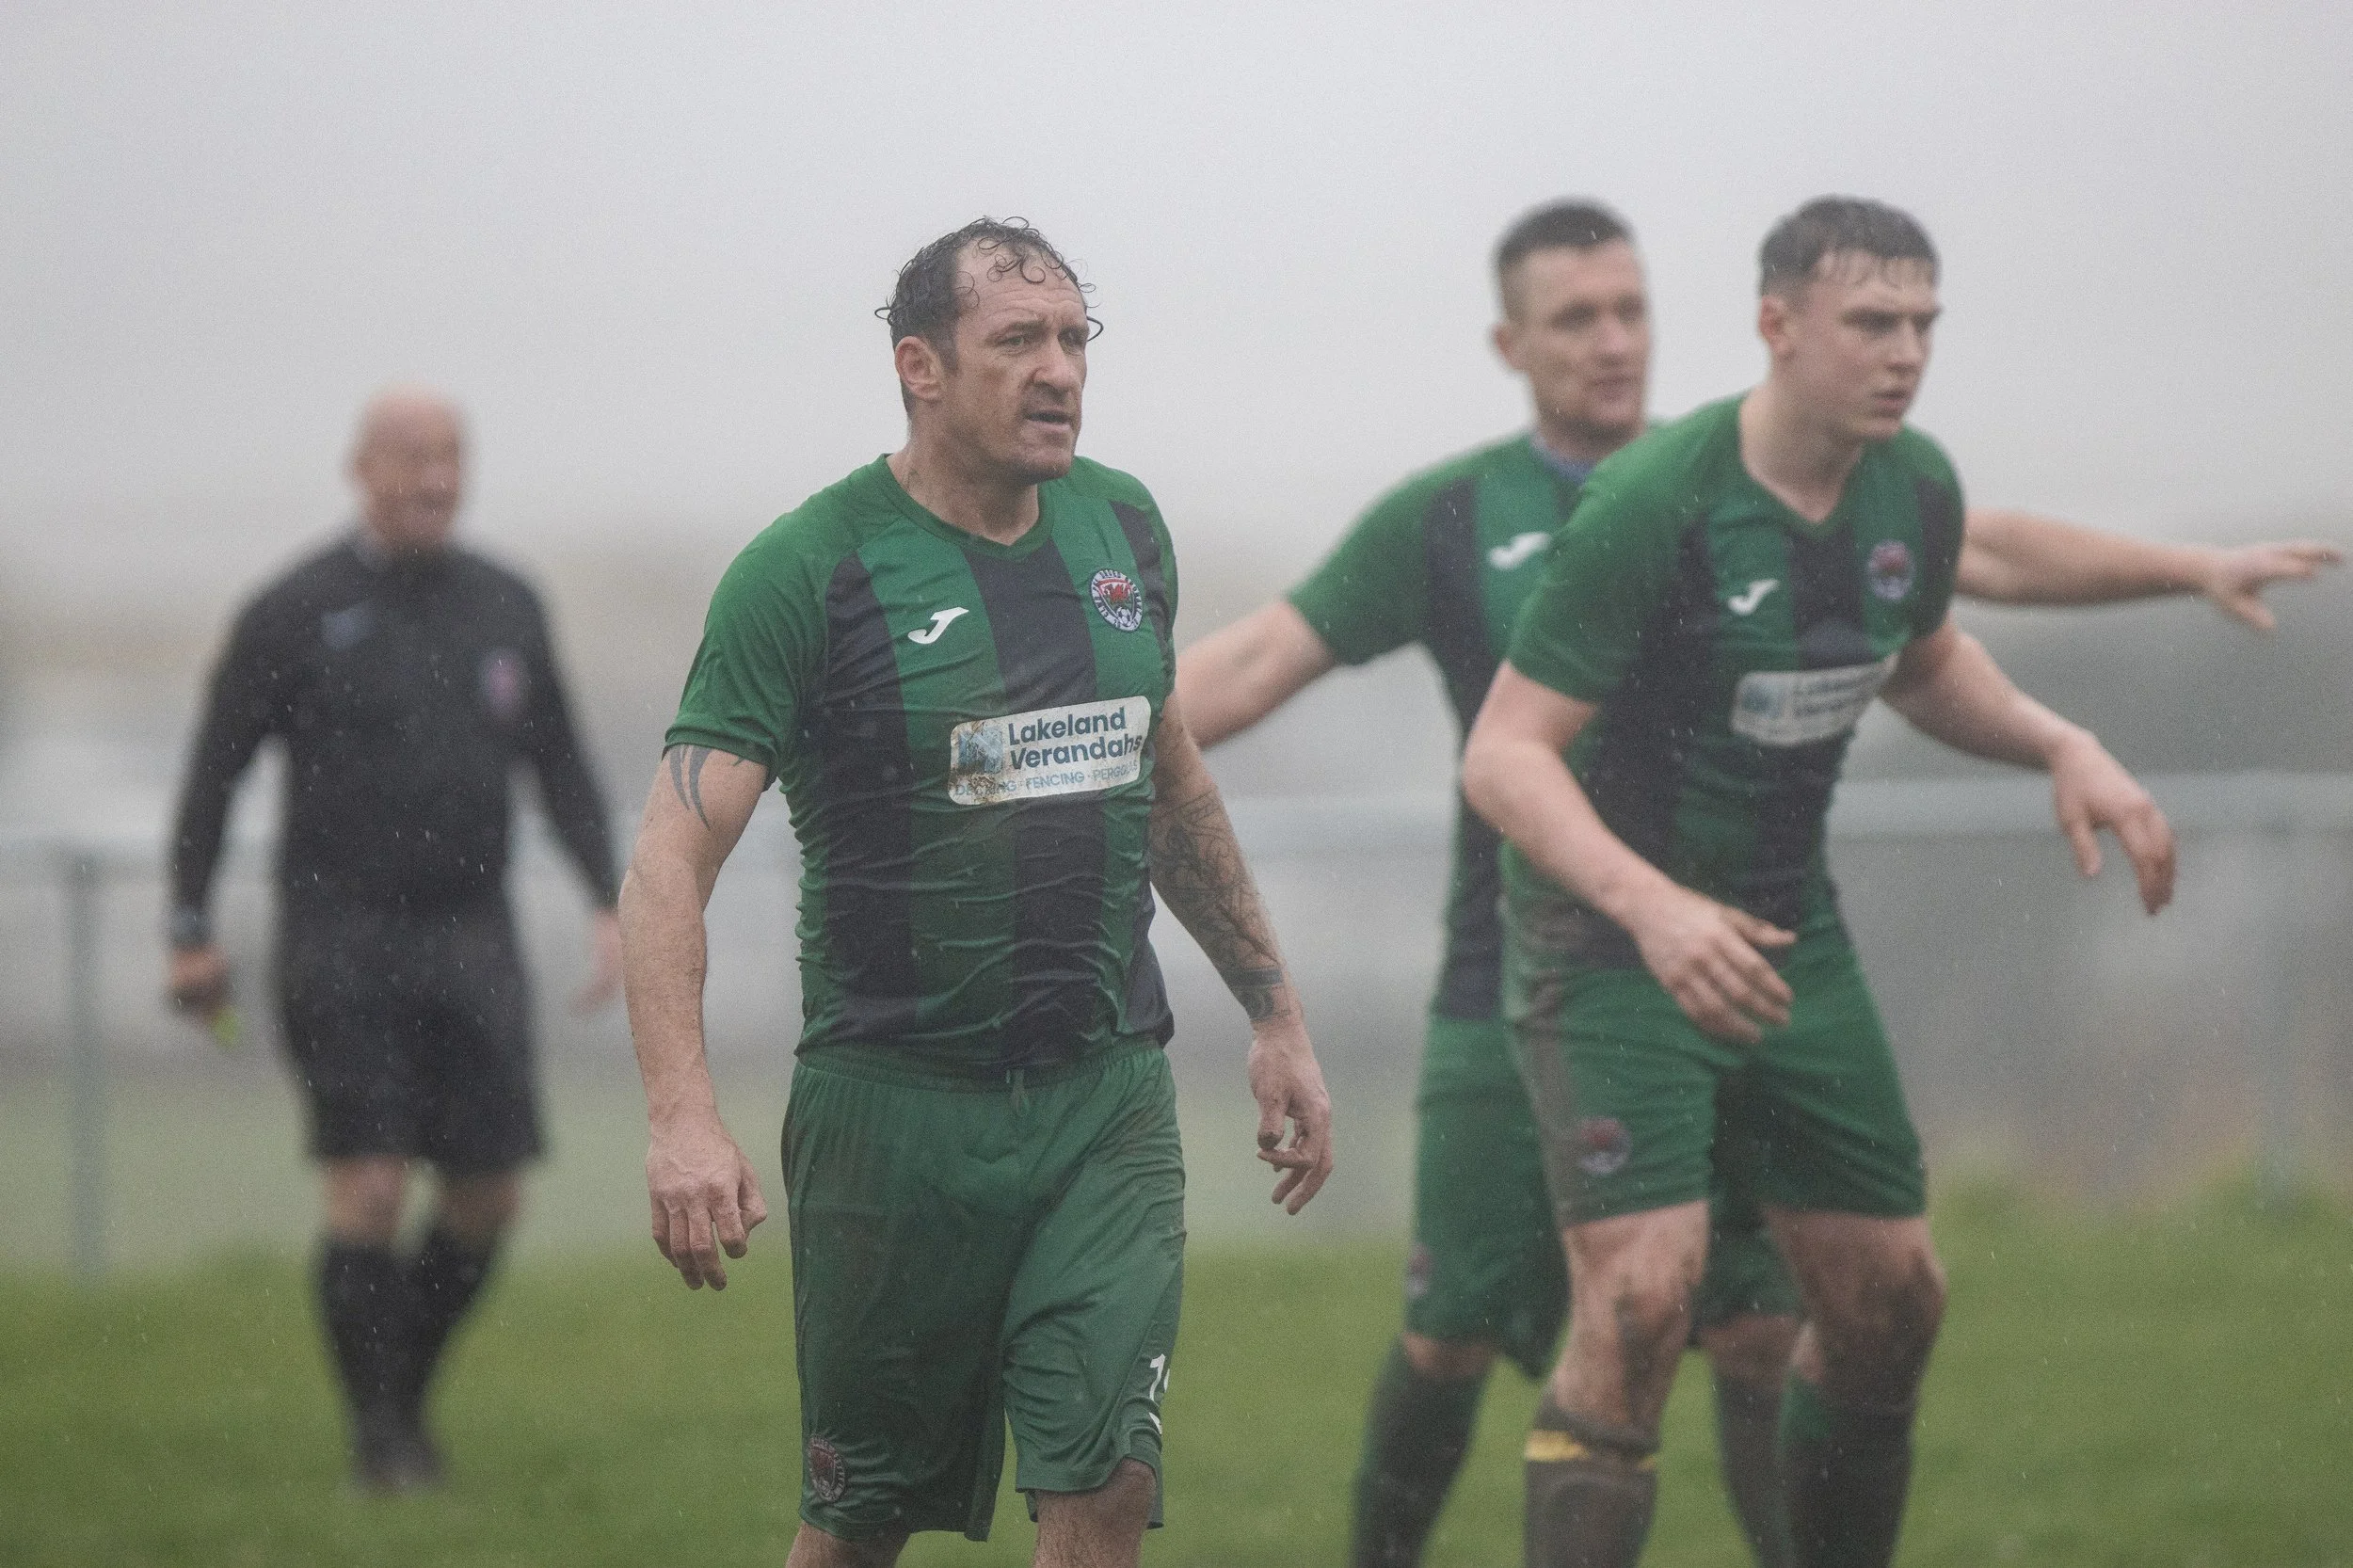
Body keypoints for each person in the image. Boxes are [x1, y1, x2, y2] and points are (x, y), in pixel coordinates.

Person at [1176, 200, 2332, 1568]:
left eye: (1631, 309)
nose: (1613, 340)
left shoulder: (1864, 475)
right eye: (1576, 317)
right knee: (1513, 1316)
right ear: (1514, 341)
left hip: (1770, 943)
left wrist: (2105, 678)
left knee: (1815, 1309)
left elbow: (1948, 589)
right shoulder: (1527, 513)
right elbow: (1295, 679)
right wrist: (1086, 757)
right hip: (1559, 961)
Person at [1457, 197, 2177, 1568]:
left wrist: (2059, 742)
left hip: (1790, 929)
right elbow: (1505, 758)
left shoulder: (1913, 482)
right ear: (1777, 327)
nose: (1905, 354)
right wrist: (1655, 909)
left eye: (1922, 325)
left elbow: (1920, 658)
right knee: (1639, 1302)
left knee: (1892, 1296)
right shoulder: (1655, 502)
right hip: (1611, 939)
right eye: (1871, 323)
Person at [616, 217, 1336, 1568]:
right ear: (921, 367)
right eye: (1019, 340)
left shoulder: (1123, 524)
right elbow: (667, 862)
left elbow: (1168, 779)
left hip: (1103, 1100)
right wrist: (681, 1117)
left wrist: (1276, 1015)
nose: (1059, 368)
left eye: (1075, 338)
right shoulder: (810, 569)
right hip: (894, 1116)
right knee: (861, 1517)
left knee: (1108, 1481)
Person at [166, 389, 625, 1492]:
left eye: (451, 457)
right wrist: (188, 926)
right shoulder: (292, 609)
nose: (433, 478)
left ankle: (398, 1399)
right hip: (341, 934)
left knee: (488, 1196)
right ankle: (383, 1444)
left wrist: (611, 900)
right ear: (359, 467)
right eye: (409, 457)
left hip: (474, 935)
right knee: (368, 1188)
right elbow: (214, 771)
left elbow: (560, 761)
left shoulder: (507, 602)